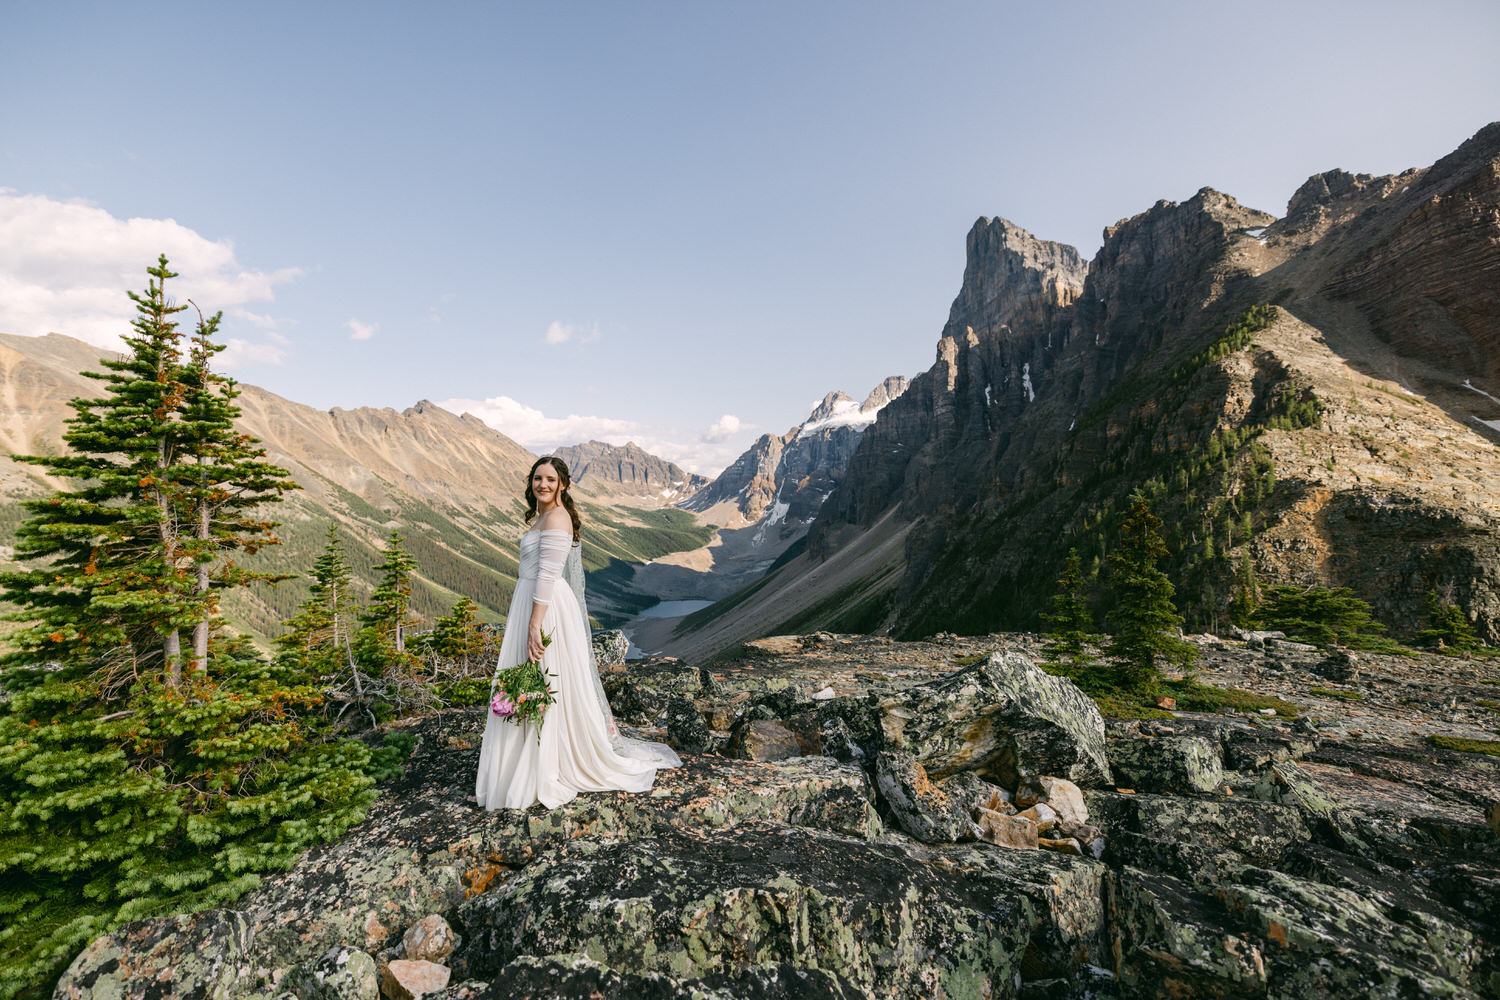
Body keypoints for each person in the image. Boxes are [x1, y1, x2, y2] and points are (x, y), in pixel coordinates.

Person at [474, 456, 680, 810]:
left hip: (546, 606)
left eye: (551, 480)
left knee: (544, 678)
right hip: (534, 602)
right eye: (538, 478)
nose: (543, 484)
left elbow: (550, 574)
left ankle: (546, 762)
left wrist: (534, 623)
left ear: (563, 485)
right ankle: (528, 758)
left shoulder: (557, 518)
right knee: (534, 680)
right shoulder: (543, 516)